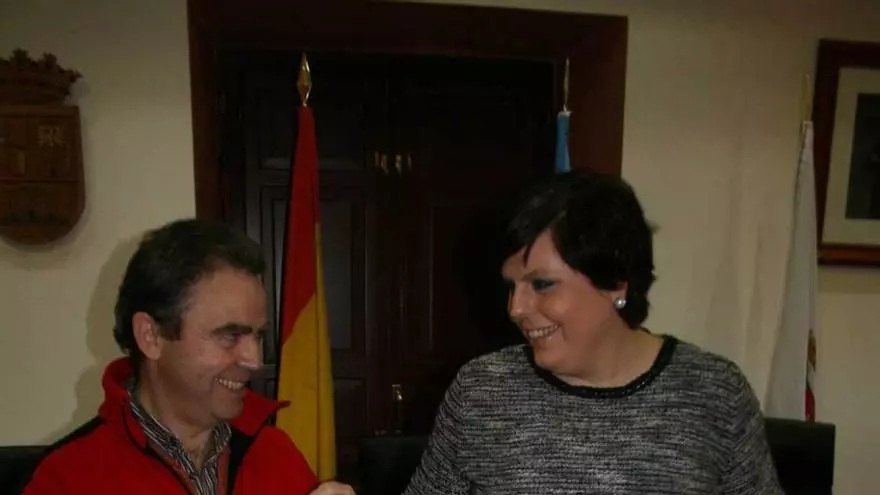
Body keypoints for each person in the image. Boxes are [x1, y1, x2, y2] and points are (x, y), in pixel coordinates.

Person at [404, 170, 783, 494]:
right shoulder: (481, 391)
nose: (516, 309)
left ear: (616, 282)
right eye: (511, 286)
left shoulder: (715, 394)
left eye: (542, 284)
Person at [20, 219, 355, 495]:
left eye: (258, 335)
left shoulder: (274, 453)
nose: (254, 360)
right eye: (230, 335)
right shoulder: (68, 479)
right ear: (151, 336)